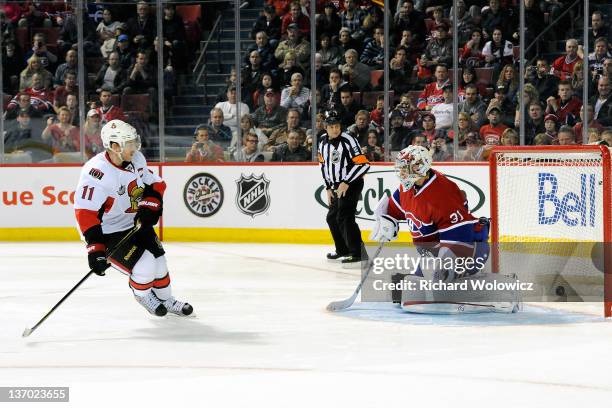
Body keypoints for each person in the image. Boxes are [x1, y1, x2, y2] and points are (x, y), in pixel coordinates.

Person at [369, 146, 511, 313]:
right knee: (405, 293)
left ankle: (499, 290)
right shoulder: (407, 187)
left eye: (406, 167)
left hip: (469, 247)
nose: (402, 172)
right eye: (401, 167)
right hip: (433, 255)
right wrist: (386, 220)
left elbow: (459, 239)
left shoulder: (442, 193)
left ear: (420, 166)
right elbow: (393, 209)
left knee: (442, 289)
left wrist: (441, 273)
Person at [74, 119, 193, 317]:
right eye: (128, 143)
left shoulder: (136, 159)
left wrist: (150, 205)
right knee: (145, 267)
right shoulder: (96, 173)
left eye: (134, 142)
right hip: (107, 231)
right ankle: (143, 294)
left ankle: (166, 299)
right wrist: (96, 249)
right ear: (114, 146)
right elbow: (85, 213)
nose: (135, 147)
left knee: (160, 264)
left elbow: (155, 184)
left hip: (134, 223)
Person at [318, 110, 370, 266]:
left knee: (345, 216)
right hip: (336, 186)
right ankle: (342, 250)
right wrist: (328, 187)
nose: (335, 129)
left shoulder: (348, 139)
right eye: (332, 126)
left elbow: (363, 164)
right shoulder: (322, 141)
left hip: (352, 183)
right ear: (325, 127)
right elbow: (323, 165)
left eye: (337, 126)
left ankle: (358, 253)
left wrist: (346, 181)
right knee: (332, 217)